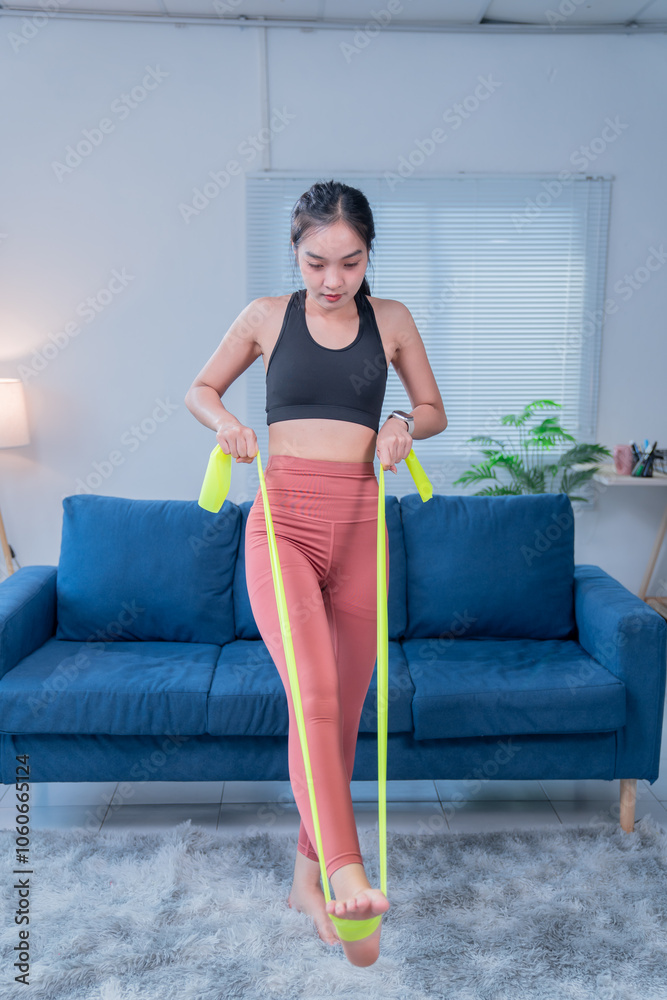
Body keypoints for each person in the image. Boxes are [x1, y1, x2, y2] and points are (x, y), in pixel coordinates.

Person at [184, 179, 447, 967]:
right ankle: (345, 872)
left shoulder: (391, 320)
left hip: (363, 530)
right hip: (282, 527)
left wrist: (400, 423)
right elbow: (200, 388)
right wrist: (227, 423)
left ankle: (305, 882)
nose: (333, 280)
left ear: (369, 255)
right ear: (294, 252)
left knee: (340, 716)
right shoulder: (266, 316)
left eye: (350, 262)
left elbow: (432, 409)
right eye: (316, 262)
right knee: (315, 696)